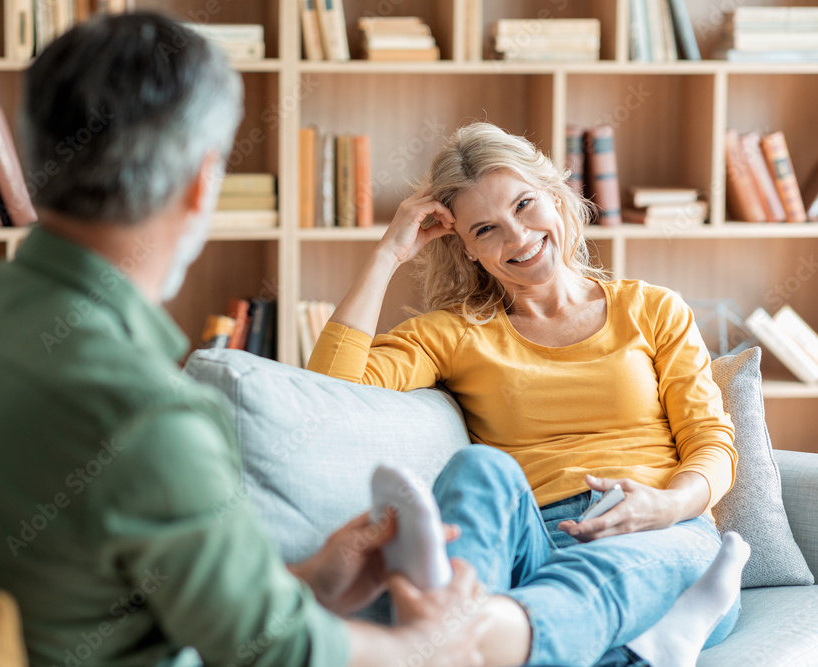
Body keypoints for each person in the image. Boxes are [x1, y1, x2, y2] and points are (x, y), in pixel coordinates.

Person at [0, 13, 499, 667]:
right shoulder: (147, 412)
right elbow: (277, 653)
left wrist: (305, 579)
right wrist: (427, 647)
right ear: (202, 183)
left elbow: (111, 600)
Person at [307, 121, 751, 667]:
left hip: (667, 533)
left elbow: (711, 441)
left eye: (524, 204)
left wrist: (667, 504)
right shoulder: (455, 332)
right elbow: (331, 392)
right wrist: (388, 254)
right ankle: (640, 641)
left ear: (556, 194)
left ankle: (464, 640)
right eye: (486, 230)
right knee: (478, 469)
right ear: (466, 249)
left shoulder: (653, 309)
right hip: (537, 540)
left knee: (628, 569)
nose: (517, 237)